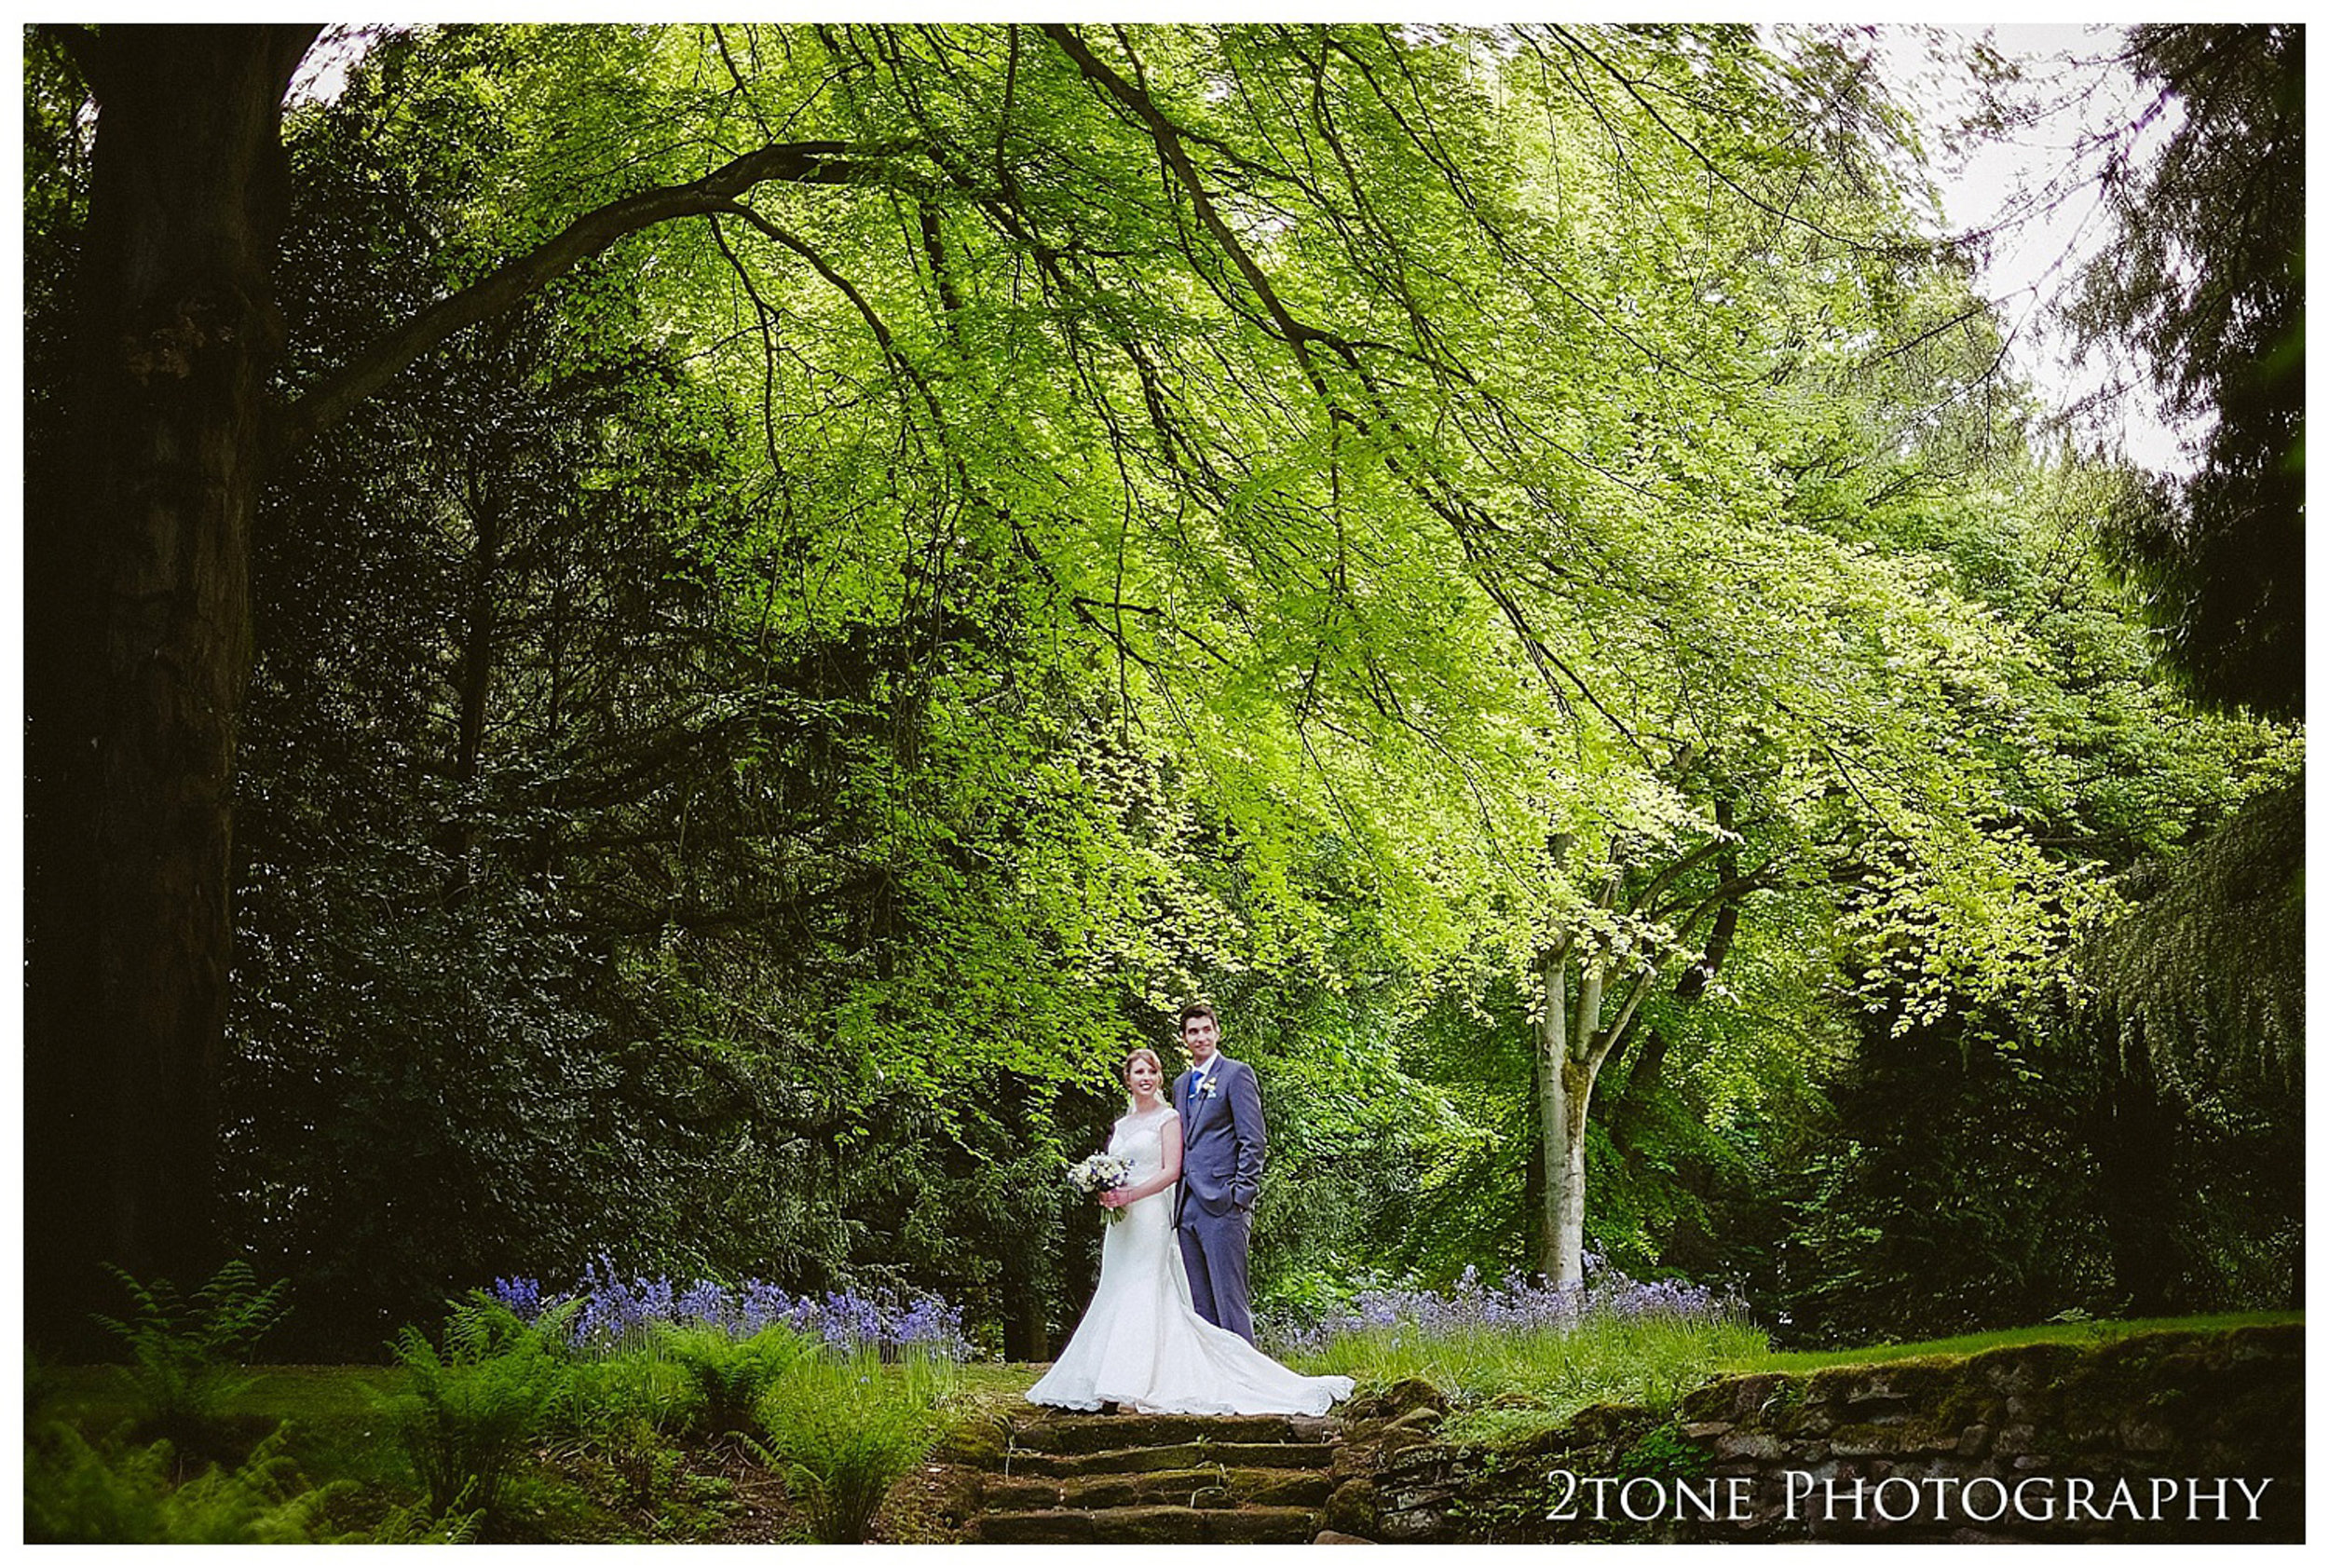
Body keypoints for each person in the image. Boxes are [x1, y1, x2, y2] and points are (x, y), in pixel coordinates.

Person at [1025, 1045, 1352, 1415]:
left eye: (1151, 1071)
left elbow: (1170, 1171)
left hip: (1149, 1216)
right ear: (1127, 1080)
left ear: (1159, 1077)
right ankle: (1102, 1375)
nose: (1145, 1078)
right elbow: (1118, 1165)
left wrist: (1131, 1193)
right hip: (1122, 1223)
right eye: (1138, 1072)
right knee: (1115, 1288)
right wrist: (1107, 1190)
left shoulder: (1168, 1119)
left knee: (1145, 1289)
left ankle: (1135, 1382)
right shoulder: (1121, 1126)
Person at [1170, 1003, 1264, 1343]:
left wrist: (1240, 1196)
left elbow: (1253, 1140)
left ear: (1217, 1032)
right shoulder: (1181, 1084)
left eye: (1206, 1029)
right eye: (1193, 1032)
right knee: (1201, 1307)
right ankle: (1215, 1385)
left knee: (1230, 1302)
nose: (1201, 1037)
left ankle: (1249, 1384)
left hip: (1223, 1203)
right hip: (1187, 1205)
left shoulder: (1236, 1074)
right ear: (1184, 1038)